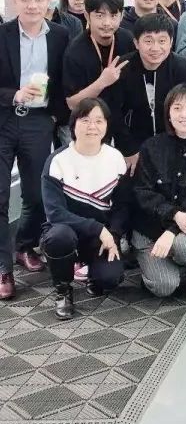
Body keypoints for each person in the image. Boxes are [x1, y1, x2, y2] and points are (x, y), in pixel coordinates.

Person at [0, 0, 70, 300]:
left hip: (39, 122)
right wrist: (13, 95)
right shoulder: (2, 35)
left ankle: (23, 245)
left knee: (37, 195)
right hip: (3, 120)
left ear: (49, 0)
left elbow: (66, 80)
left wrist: (54, 116)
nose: (32, 5)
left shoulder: (60, 35)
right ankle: (3, 269)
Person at [40, 98, 129, 319]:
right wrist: (98, 228)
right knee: (59, 237)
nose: (92, 126)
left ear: (106, 125)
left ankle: (93, 274)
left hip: (100, 236)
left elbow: (123, 206)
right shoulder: (58, 161)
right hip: (65, 230)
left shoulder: (115, 158)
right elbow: (55, 213)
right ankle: (63, 289)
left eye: (99, 121)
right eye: (85, 120)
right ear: (73, 124)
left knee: (111, 278)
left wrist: (114, 234)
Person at [132, 84, 186, 300]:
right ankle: (153, 270)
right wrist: (173, 214)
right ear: (168, 114)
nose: (184, 115)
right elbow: (142, 192)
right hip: (149, 229)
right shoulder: (151, 147)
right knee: (164, 287)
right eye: (177, 108)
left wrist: (172, 229)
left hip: (185, 229)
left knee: (184, 247)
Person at [62, 0, 134, 161]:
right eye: (100, 15)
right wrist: (102, 82)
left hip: (125, 120)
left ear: (121, 16)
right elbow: (72, 103)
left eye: (113, 15)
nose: (107, 23)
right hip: (91, 123)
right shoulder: (75, 51)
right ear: (87, 16)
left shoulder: (127, 40)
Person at [117, 14, 186, 160]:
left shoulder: (181, 67)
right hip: (134, 144)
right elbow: (115, 112)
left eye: (162, 41)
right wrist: (129, 150)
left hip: (174, 142)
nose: (155, 48)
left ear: (171, 42)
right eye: (148, 41)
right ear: (136, 43)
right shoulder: (123, 67)